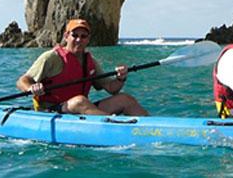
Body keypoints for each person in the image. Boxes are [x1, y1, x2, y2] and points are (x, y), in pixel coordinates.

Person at [16, 19, 148, 116]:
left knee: (125, 99)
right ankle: (116, 126)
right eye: (75, 35)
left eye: (83, 36)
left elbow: (111, 88)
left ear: (88, 39)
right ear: (66, 36)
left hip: (80, 109)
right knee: (80, 101)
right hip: (51, 110)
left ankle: (152, 130)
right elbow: (22, 80)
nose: (79, 40)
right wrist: (31, 87)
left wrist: (121, 78)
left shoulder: (90, 62)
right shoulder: (51, 57)